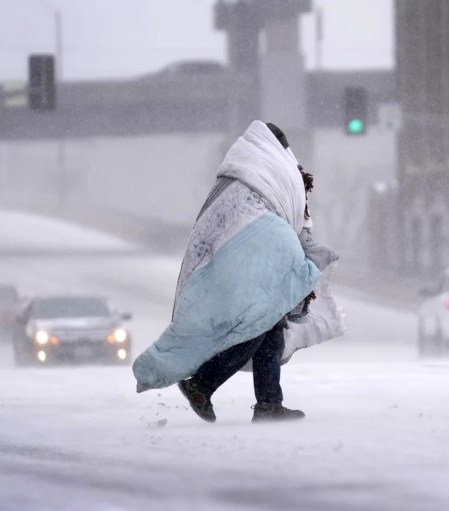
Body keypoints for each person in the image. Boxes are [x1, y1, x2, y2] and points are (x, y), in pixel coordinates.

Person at [132, 120, 344, 422]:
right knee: (256, 324)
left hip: (229, 263)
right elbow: (288, 220)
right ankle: (202, 384)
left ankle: (269, 403)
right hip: (249, 262)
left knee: (270, 327)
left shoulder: (237, 178)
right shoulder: (274, 174)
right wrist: (304, 258)